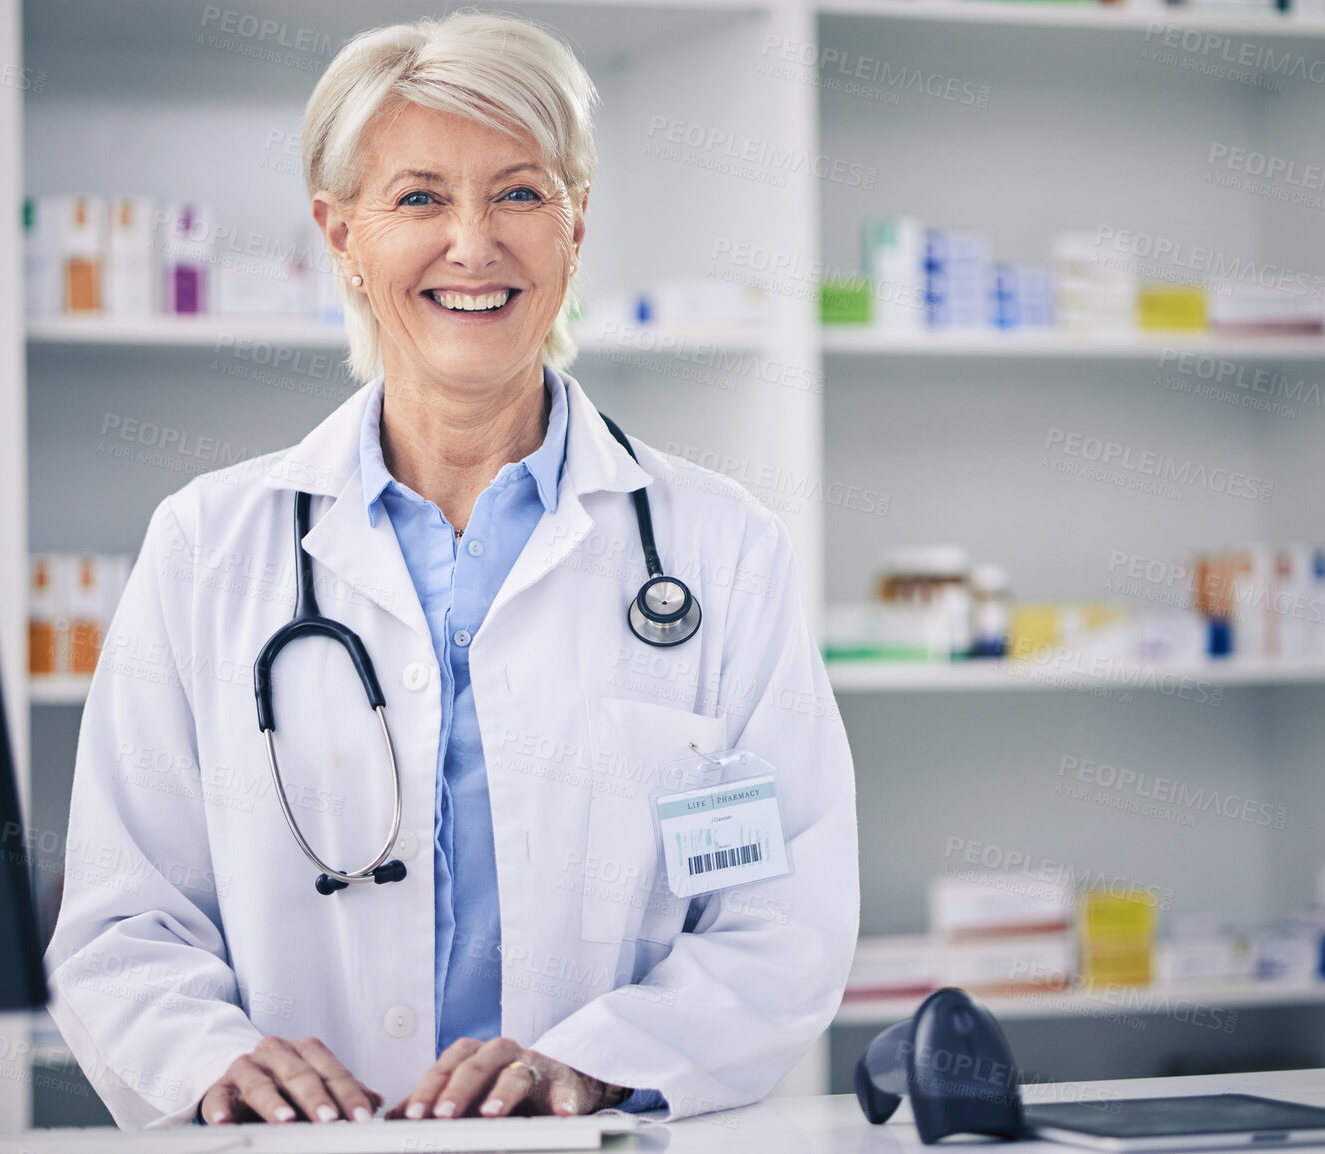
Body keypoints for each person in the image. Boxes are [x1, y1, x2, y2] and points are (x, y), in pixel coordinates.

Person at [44, 10, 858, 1129]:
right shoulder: (206, 547)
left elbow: (783, 921)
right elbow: (120, 917)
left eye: (519, 193)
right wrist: (210, 1057)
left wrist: (597, 1058)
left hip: (592, 1137)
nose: (473, 244)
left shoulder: (721, 550)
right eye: (419, 197)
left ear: (578, 224)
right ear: (341, 236)